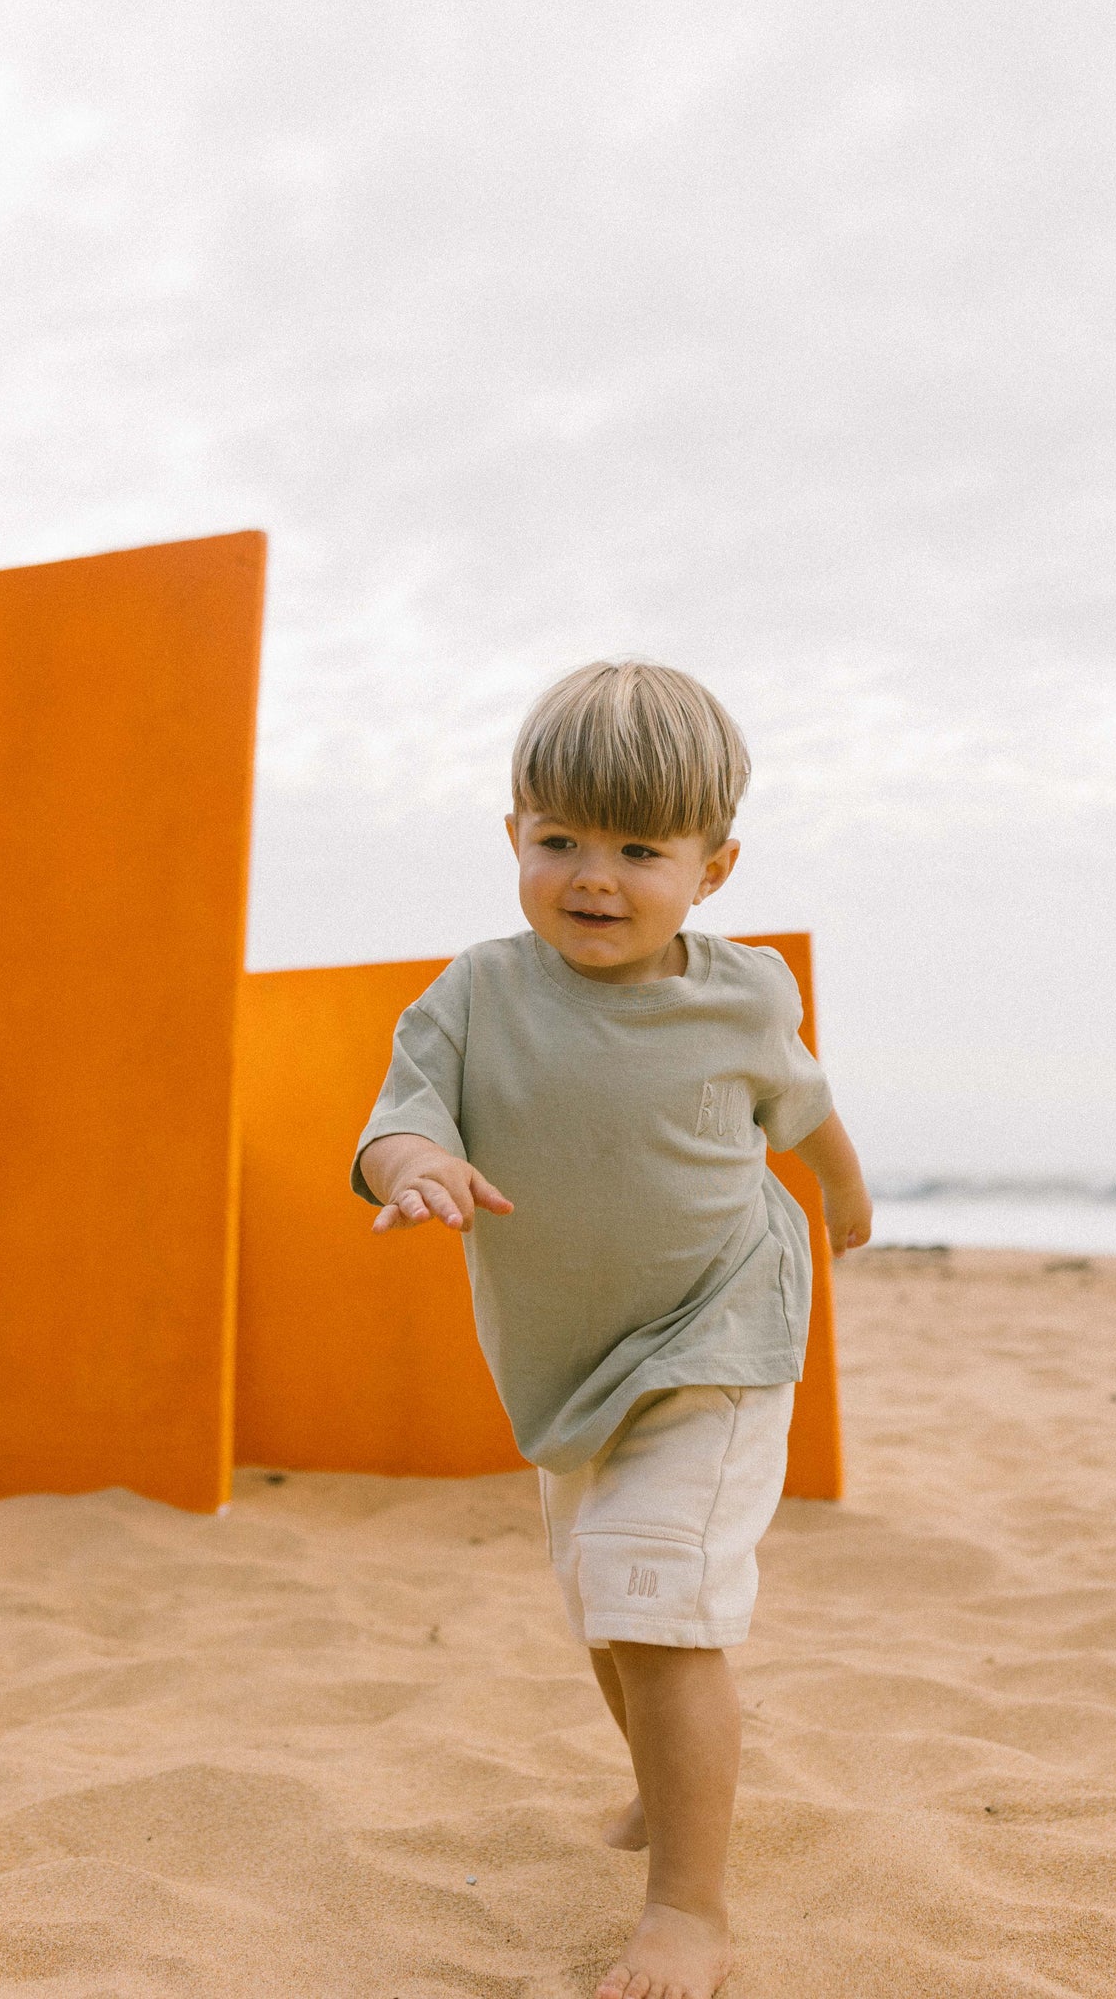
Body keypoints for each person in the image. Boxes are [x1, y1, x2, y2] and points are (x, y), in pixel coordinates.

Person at [352, 660, 872, 1999]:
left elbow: (799, 1112)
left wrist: (850, 1202)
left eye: (640, 848)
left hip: (716, 1327)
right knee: (605, 1603)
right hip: (568, 1361)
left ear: (713, 866)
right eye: (560, 839)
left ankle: (689, 1909)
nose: (594, 875)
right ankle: (664, 1784)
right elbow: (398, 1115)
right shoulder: (474, 993)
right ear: (513, 835)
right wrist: (411, 1166)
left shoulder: (739, 995)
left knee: (655, 1594)